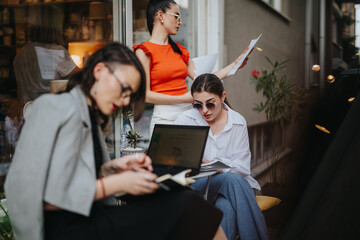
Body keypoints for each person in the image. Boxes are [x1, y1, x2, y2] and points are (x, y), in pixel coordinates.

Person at [4, 43, 226, 240]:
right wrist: (115, 184)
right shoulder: (52, 107)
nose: (126, 100)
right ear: (99, 71)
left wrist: (111, 170)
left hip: (90, 219)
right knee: (190, 207)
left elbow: (72, 176)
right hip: (68, 230)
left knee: (187, 200)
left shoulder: (88, 114)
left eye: (131, 95)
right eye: (125, 89)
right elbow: (34, 192)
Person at [174, 73, 268, 240]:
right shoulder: (185, 119)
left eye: (210, 104)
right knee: (230, 184)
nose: (204, 111)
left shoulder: (237, 122)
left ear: (222, 97)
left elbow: (242, 168)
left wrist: (209, 164)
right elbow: (174, 159)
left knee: (226, 202)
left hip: (230, 187)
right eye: (198, 105)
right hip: (198, 186)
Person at [134, 0, 251, 133]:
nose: (180, 22)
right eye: (176, 16)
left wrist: (235, 65)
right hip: (164, 118)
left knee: (193, 154)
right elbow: (145, 95)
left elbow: (204, 79)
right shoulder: (144, 51)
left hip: (190, 114)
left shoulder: (179, 51)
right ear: (160, 16)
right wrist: (181, 99)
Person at [13, 5, 79, 106]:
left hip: (28, 115)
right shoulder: (57, 52)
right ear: (56, 27)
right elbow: (82, 78)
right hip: (51, 114)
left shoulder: (21, 54)